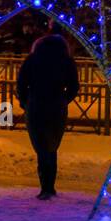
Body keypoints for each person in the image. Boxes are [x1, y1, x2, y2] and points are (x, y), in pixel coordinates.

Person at [16, 32, 79, 199]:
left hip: (35, 106)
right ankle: (50, 186)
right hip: (57, 107)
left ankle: (45, 187)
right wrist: (64, 99)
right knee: (52, 147)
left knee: (41, 147)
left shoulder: (32, 60)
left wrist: (25, 102)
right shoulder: (66, 61)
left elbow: (21, 83)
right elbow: (74, 86)